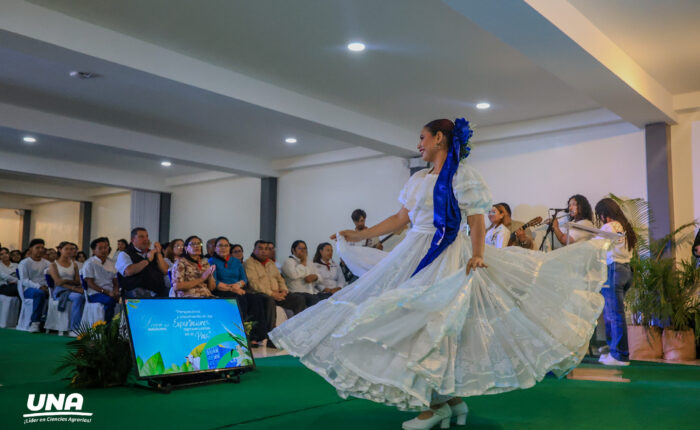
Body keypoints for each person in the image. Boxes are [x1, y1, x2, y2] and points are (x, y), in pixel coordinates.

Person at [269, 118, 609, 429]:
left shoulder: (463, 176)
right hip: (413, 251)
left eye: (422, 138)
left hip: (447, 252)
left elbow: (476, 219)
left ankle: (435, 406)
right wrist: (358, 235)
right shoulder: (418, 179)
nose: (418, 144)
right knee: (415, 320)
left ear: (439, 138)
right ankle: (448, 400)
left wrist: (478, 254)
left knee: (434, 324)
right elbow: (400, 219)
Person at [594, 198, 636, 366]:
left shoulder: (608, 227)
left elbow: (595, 246)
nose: (600, 218)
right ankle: (614, 352)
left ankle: (620, 356)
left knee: (613, 315)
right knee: (614, 314)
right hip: (626, 270)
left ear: (604, 213)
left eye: (599, 214)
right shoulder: (625, 227)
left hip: (613, 269)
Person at [209, 236, 271, 344]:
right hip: (221, 290)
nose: (223, 248)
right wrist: (232, 289)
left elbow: (244, 279)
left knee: (256, 299)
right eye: (220, 245)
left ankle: (255, 336)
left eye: (226, 245)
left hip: (237, 288)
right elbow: (215, 282)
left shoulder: (236, 261)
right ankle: (240, 335)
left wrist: (237, 285)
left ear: (229, 248)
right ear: (215, 248)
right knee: (240, 299)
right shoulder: (211, 261)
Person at [244, 241, 306, 318]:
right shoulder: (249, 263)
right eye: (260, 248)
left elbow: (280, 279)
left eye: (266, 249)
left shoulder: (271, 263)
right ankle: (270, 326)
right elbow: (254, 283)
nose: (263, 251)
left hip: (277, 294)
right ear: (254, 250)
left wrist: (284, 291)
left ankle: (297, 324)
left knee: (298, 299)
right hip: (260, 294)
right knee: (269, 300)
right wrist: (272, 294)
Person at [116, 227, 169, 298]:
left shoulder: (152, 253)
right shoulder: (125, 254)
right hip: (137, 292)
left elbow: (165, 271)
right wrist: (147, 260)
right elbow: (128, 271)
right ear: (132, 240)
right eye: (141, 237)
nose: (145, 239)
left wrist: (158, 252)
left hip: (157, 291)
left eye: (147, 236)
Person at [48, 242, 85, 335]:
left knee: (85, 296)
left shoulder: (74, 264)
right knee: (78, 297)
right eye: (66, 249)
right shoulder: (54, 265)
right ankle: (74, 328)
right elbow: (57, 282)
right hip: (60, 291)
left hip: (72, 289)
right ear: (60, 250)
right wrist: (72, 286)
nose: (69, 251)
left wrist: (64, 280)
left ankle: (83, 325)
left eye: (71, 249)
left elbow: (77, 281)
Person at [82, 237, 119, 323]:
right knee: (110, 300)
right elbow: (90, 284)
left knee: (127, 299)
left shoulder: (112, 262)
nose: (104, 250)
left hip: (110, 292)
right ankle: (107, 326)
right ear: (94, 251)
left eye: (105, 248)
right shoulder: (89, 263)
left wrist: (116, 290)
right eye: (100, 248)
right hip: (95, 293)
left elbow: (115, 280)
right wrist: (107, 292)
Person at [17, 239, 51, 332]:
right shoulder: (24, 263)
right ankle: (35, 322)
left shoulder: (47, 263)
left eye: (42, 248)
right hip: (29, 289)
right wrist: (39, 287)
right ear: (30, 249)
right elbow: (24, 280)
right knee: (39, 293)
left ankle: (50, 323)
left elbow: (49, 278)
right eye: (37, 248)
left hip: (45, 288)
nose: (40, 250)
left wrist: (47, 287)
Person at [281, 240, 326, 306]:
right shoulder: (288, 261)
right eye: (300, 248)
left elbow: (321, 277)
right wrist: (303, 263)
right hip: (296, 292)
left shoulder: (309, 262)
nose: (303, 250)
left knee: (328, 298)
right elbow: (293, 275)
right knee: (314, 300)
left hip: (311, 292)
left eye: (304, 248)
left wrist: (315, 277)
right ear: (293, 250)